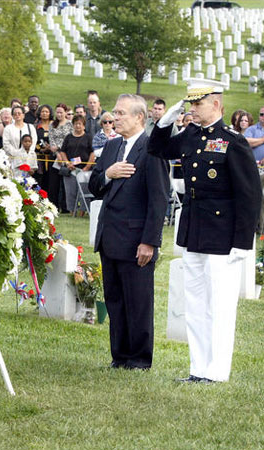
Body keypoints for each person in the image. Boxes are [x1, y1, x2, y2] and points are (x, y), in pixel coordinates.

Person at [149, 79, 262, 383]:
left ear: (216, 104)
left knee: (220, 307)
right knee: (196, 304)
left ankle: (217, 371)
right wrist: (166, 120)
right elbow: (156, 148)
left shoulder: (232, 141)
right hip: (195, 229)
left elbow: (250, 195)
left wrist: (243, 242)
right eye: (191, 104)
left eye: (198, 104)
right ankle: (198, 368)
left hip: (223, 236)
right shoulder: (189, 135)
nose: (193, 110)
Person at [89, 93, 169, 370]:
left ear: (139, 117)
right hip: (110, 236)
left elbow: (159, 200)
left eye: (121, 113)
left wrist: (149, 242)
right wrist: (107, 174)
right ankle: (119, 356)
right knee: (115, 300)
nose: (114, 117)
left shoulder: (151, 149)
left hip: (136, 240)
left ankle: (138, 359)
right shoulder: (111, 148)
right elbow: (95, 186)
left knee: (138, 302)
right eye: (114, 113)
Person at [58, 115, 95, 214]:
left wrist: (87, 166)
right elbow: (62, 151)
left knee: (84, 190)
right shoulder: (68, 137)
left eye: (80, 124)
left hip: (84, 169)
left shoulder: (88, 137)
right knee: (70, 191)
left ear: (83, 125)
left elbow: (93, 152)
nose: (78, 126)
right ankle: (72, 212)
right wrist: (67, 163)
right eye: (76, 124)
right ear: (73, 125)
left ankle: (83, 211)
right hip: (71, 169)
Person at [48, 103, 72, 209]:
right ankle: (54, 205)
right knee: (54, 183)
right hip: (55, 157)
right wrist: (57, 153)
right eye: (57, 112)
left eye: (61, 112)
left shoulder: (70, 124)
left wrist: (61, 151)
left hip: (67, 155)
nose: (59, 114)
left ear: (65, 113)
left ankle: (66, 206)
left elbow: (70, 140)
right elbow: (51, 141)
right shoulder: (52, 125)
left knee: (66, 183)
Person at [3, 106, 38, 173]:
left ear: (23, 115)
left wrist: (26, 154)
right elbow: (6, 144)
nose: (17, 115)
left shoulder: (30, 127)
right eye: (15, 114)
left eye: (19, 113)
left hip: (28, 160)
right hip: (13, 160)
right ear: (12, 116)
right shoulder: (8, 128)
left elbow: (33, 142)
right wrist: (17, 154)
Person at [35, 104, 54, 193]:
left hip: (52, 157)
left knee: (52, 182)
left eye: (46, 111)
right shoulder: (35, 126)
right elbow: (33, 141)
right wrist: (40, 149)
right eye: (42, 111)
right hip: (40, 158)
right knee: (40, 181)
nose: (44, 113)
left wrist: (51, 147)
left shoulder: (54, 125)